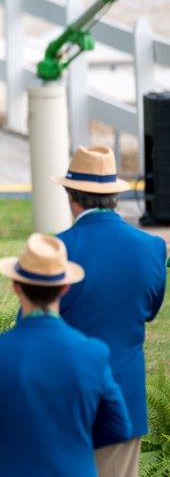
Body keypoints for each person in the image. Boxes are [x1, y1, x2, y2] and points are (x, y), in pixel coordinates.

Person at [0, 233, 132, 476]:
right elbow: (120, 427)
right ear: (65, 288)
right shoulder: (93, 353)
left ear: (16, 286)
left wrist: (11, 429)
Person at [51, 145, 165, 476]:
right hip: (124, 399)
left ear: (71, 195)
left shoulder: (58, 249)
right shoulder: (153, 248)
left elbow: (32, 323)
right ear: (114, 196)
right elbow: (149, 310)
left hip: (64, 399)